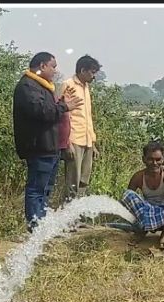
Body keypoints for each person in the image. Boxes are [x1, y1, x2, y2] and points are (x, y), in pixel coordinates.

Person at [13, 51, 83, 232]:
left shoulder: (41, 86)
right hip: (39, 147)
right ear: (42, 66)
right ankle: (35, 226)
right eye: (53, 66)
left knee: (45, 189)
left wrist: (61, 103)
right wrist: (64, 106)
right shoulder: (27, 86)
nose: (55, 71)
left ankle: (41, 224)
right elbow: (42, 112)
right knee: (36, 189)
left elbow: (49, 110)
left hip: (50, 147)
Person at [121, 141, 164, 249]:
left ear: (163, 159)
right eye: (150, 159)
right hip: (148, 213)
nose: (154, 163)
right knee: (127, 195)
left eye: (158, 159)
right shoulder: (138, 177)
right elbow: (128, 205)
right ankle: (142, 230)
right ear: (144, 159)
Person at [59, 54, 101, 203]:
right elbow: (63, 115)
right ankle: (69, 214)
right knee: (73, 181)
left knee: (84, 180)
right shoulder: (68, 85)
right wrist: (67, 142)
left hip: (87, 139)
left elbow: (87, 116)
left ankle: (79, 212)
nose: (94, 76)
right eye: (92, 72)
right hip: (74, 139)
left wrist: (93, 143)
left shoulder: (86, 87)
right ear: (83, 70)